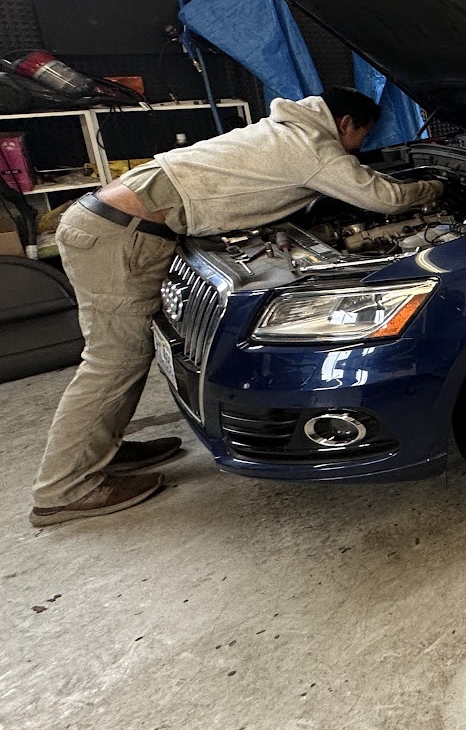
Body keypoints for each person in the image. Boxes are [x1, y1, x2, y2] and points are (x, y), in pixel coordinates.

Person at [29, 88, 444, 527]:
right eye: (363, 135)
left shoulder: (281, 130)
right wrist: (433, 188)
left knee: (126, 355)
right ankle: (65, 488)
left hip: (117, 226)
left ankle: (101, 450)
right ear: (346, 124)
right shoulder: (312, 147)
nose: (360, 146)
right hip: (119, 236)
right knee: (112, 361)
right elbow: (386, 199)